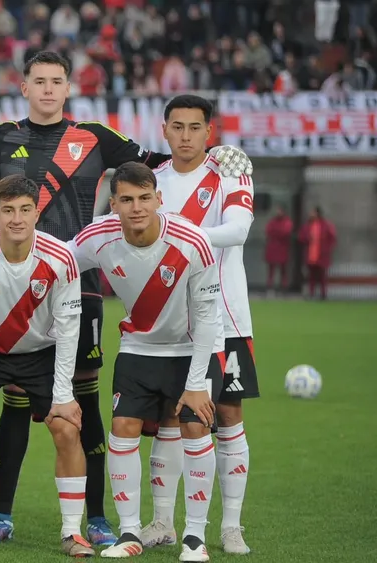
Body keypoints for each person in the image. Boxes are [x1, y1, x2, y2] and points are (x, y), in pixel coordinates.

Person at [0, 51, 253, 546]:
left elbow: (155, 169)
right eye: (40, 81)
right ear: (25, 87)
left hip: (79, 284)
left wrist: (218, 158)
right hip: (8, 287)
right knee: (13, 403)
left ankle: (96, 518)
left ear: (68, 87)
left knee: (82, 401)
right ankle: (0, 515)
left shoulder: (96, 137)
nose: (49, 89)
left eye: (58, 81)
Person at [70, 162, 224, 562]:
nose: (136, 207)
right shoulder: (98, 237)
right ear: (113, 203)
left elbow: (209, 318)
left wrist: (195, 384)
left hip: (191, 351)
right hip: (137, 350)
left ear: (159, 199)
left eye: (144, 198)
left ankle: (194, 537)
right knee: (122, 428)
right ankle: (129, 532)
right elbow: (59, 264)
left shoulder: (192, 241)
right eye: (126, 199)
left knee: (195, 431)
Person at [0, 174, 93, 558]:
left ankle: (72, 533)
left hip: (40, 353)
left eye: (25, 209)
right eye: (7, 210)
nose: (17, 218)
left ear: (37, 213)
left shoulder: (61, 259)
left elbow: (69, 329)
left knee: (67, 428)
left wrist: (62, 395)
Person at [147, 94, 256, 555]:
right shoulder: (151, 180)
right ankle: (161, 522)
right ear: (165, 129)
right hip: (167, 318)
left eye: (195, 127)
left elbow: (237, 230)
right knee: (170, 417)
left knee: (228, 416)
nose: (186, 136)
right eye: (178, 126)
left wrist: (167, 230)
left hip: (226, 316)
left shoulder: (231, 173)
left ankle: (230, 527)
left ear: (208, 132)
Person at [299, 206, 337, 300]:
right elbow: (301, 237)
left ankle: (323, 294)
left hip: (322, 255)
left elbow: (332, 238)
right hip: (311, 254)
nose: (310, 214)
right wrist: (308, 238)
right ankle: (311, 293)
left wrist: (327, 249)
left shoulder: (326, 225)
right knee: (311, 276)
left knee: (322, 276)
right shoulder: (308, 225)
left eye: (313, 212)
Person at [265, 205, 293, 293]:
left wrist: (276, 233)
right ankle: (270, 287)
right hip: (273, 248)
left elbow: (286, 232)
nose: (278, 213)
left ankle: (283, 287)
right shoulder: (273, 222)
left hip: (282, 249)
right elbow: (268, 231)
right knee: (271, 270)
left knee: (283, 270)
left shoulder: (287, 222)